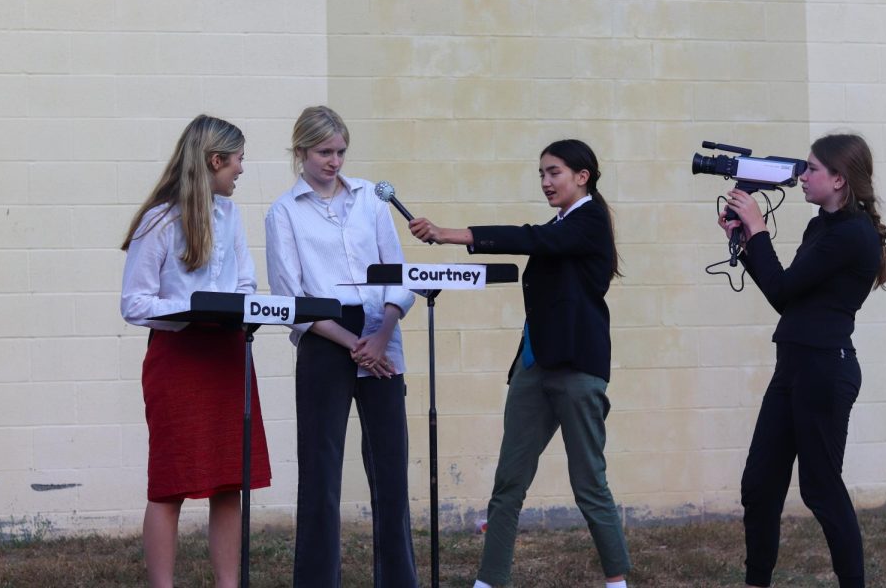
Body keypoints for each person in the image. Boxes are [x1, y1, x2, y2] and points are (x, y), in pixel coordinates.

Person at [409, 139, 631, 588]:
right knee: (508, 484)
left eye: (555, 173)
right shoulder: (564, 223)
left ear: (581, 177)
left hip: (577, 371)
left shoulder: (587, 222)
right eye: (542, 175)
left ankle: (617, 582)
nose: (546, 182)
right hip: (533, 369)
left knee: (590, 485)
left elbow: (533, 238)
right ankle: (489, 582)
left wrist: (454, 234)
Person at [719, 133, 886, 588]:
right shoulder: (822, 227)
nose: (803, 174)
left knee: (820, 488)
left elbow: (784, 287)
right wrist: (744, 239)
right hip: (794, 366)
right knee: (759, 486)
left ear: (839, 179)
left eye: (812, 168)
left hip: (824, 370)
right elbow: (784, 296)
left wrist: (757, 230)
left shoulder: (853, 236)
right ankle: (757, 581)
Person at [264, 105, 418, 587]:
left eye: (341, 151)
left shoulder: (372, 199)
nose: (334, 161)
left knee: (391, 470)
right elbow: (292, 295)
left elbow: (400, 274)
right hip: (326, 338)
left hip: (381, 330)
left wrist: (383, 334)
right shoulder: (284, 212)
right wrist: (356, 343)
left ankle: (398, 580)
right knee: (321, 471)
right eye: (324, 152)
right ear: (301, 152)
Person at [120, 114, 271, 587]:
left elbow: (245, 281)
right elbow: (135, 302)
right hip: (179, 358)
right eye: (238, 160)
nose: (242, 170)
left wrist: (246, 306)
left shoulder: (231, 215)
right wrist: (197, 307)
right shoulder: (160, 220)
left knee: (230, 483)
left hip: (228, 358)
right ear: (215, 159)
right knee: (170, 485)